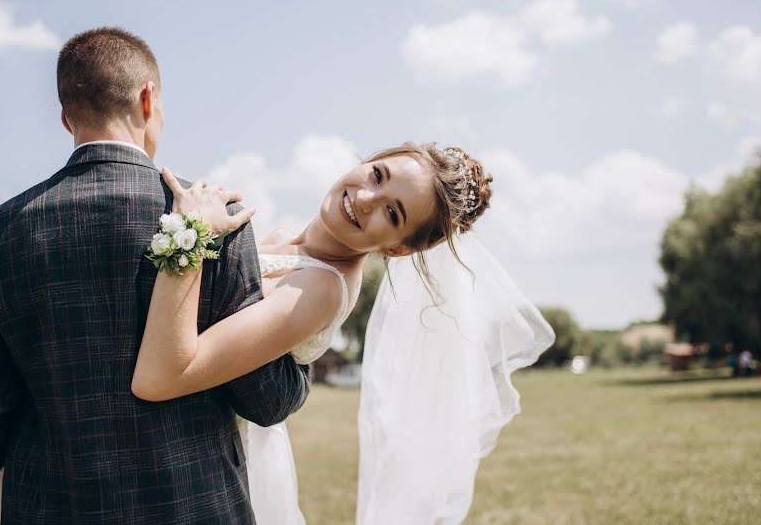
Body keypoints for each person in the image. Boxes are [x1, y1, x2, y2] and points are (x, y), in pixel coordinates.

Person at [0, 27, 310, 524]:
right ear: (147, 98)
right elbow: (265, 399)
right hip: (196, 508)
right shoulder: (217, 217)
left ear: (65, 117)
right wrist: (303, 347)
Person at [132, 143, 555, 523]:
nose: (365, 200)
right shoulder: (281, 240)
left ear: (396, 248)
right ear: (367, 161)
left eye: (393, 213)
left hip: (230, 467)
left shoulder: (322, 289)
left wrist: (191, 231)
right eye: (377, 175)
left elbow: (164, 374)